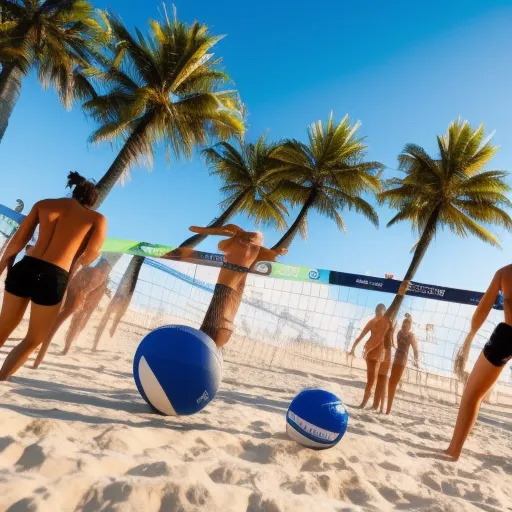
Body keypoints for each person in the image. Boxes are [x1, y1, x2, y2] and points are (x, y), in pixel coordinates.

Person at [0, 172, 107, 380]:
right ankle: (2, 376)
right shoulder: (97, 219)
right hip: (54, 276)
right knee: (34, 338)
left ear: (74, 191)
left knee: (3, 327)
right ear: (93, 201)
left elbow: (19, 240)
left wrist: (2, 264)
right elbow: (90, 255)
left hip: (25, 267)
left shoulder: (45, 204)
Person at [445, 267, 512, 461]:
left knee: (472, 394)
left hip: (508, 335)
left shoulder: (505, 273)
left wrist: (471, 334)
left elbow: (482, 311)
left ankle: (453, 451)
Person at [187, 224, 287, 348]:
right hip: (227, 283)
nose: (250, 240)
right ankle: (207, 342)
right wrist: (236, 236)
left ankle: (212, 344)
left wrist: (277, 252)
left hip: (235, 285)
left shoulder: (255, 248)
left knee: (225, 313)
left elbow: (270, 256)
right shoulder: (238, 239)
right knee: (218, 313)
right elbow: (221, 245)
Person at [32, 253, 119, 367]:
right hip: (100, 273)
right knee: (73, 311)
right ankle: (45, 345)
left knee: (73, 311)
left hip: (100, 274)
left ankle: (52, 344)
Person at [349, 304, 391, 408]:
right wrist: (353, 348)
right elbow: (361, 335)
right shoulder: (373, 322)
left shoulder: (386, 323)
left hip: (380, 353)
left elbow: (389, 339)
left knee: (377, 379)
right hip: (372, 353)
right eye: (377, 311)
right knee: (371, 380)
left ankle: (375, 405)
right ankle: (366, 403)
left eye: (380, 312)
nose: (378, 314)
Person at [385, 314, 419, 414]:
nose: (403, 327)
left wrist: (416, 361)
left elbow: (416, 350)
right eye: (403, 325)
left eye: (405, 325)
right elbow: (392, 341)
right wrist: (392, 328)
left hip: (402, 361)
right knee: (391, 382)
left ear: (409, 326)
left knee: (393, 383)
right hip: (396, 359)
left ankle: (388, 409)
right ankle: (388, 408)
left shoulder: (411, 335)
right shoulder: (400, 332)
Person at [371, 321, 396, 413]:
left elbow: (391, 341)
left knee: (383, 380)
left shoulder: (389, 324)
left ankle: (381, 407)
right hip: (384, 352)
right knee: (381, 380)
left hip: (386, 353)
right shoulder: (388, 324)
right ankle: (379, 407)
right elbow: (392, 342)